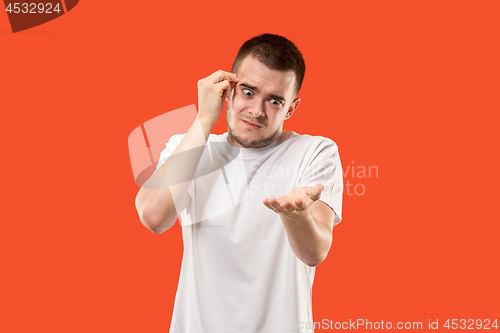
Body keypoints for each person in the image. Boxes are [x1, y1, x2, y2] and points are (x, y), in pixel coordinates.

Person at [135, 33, 343, 332]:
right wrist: (205, 118)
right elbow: (153, 216)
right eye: (248, 92)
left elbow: (316, 252)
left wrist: (297, 218)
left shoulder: (314, 152)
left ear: (291, 108)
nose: (257, 111)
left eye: (274, 101)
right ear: (228, 89)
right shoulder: (192, 148)